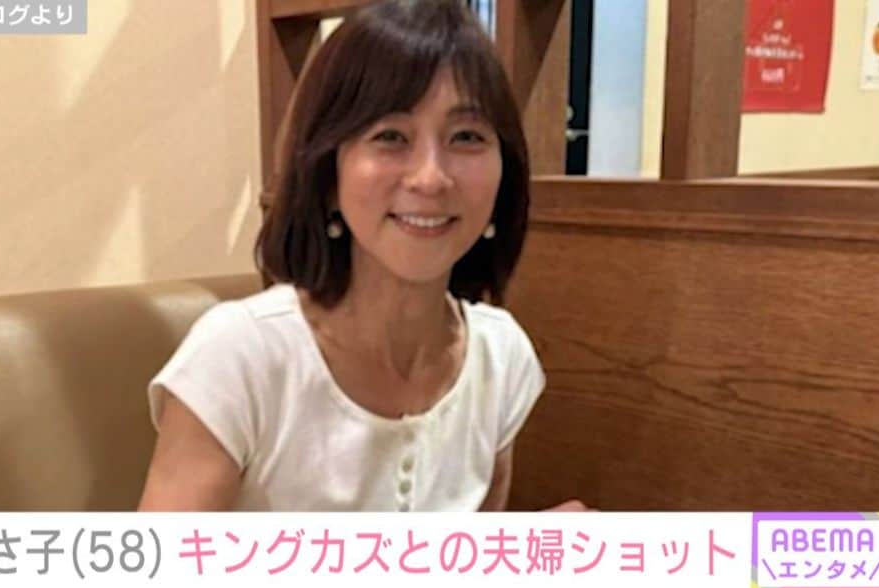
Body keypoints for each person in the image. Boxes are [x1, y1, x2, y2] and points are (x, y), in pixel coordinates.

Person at [138, 0, 587, 512]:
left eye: (466, 137)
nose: (430, 178)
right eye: (390, 136)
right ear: (328, 174)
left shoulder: (501, 358)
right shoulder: (239, 356)